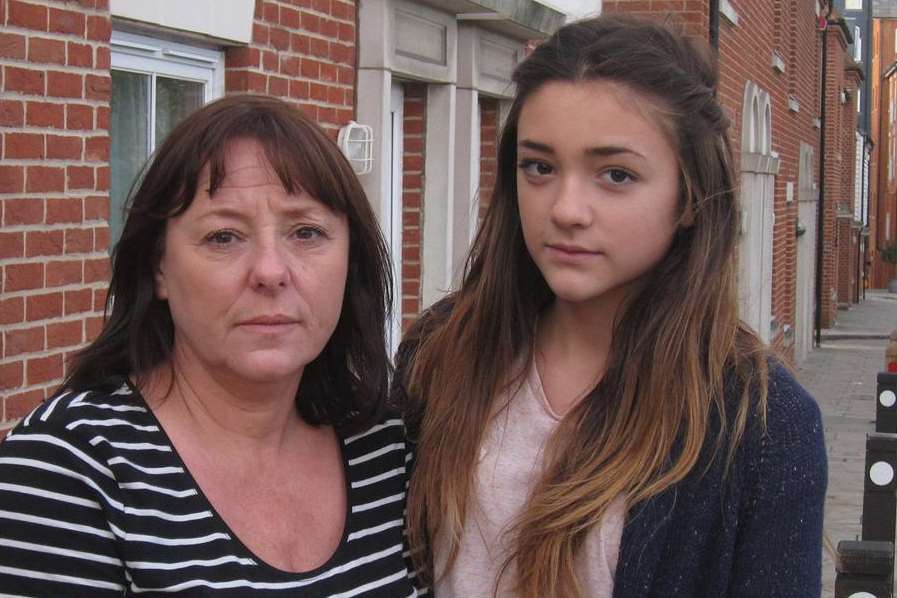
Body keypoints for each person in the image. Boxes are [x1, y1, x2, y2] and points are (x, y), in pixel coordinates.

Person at [393, 14, 827, 598]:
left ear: (691, 196)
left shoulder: (762, 422)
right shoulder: (443, 350)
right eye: (539, 167)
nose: (566, 209)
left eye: (616, 175)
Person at [0, 95, 417, 596]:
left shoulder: (387, 445)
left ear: (351, 263)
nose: (269, 271)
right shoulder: (65, 471)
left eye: (306, 232)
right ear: (159, 268)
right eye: (223, 237)